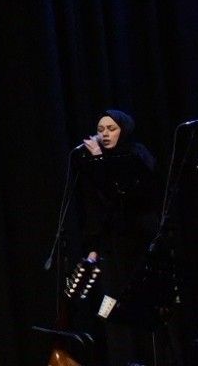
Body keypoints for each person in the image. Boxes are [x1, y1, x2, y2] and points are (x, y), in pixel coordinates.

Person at [74, 109, 159, 366]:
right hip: (111, 250)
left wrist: (100, 161)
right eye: (100, 130)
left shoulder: (136, 154)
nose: (105, 134)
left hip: (138, 245)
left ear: (124, 129)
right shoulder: (95, 164)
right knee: (108, 305)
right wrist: (93, 247)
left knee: (140, 306)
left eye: (111, 129)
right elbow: (96, 209)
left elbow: (126, 195)